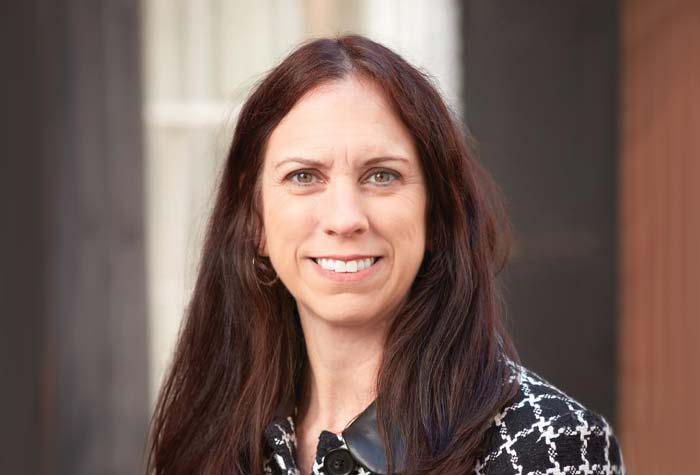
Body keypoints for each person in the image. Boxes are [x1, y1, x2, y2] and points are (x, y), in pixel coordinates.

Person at [147, 35, 625, 475]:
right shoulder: (214, 443)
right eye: (304, 176)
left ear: (435, 214)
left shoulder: (548, 447)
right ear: (255, 222)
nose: (345, 218)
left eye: (381, 176)